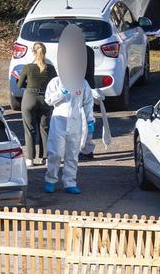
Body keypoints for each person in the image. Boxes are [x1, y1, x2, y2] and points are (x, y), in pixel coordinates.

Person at [43, 25, 111, 194]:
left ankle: (69, 182)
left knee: (72, 154)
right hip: (59, 121)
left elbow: (87, 103)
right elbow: (48, 100)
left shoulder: (83, 83)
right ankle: (50, 179)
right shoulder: (55, 83)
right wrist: (62, 93)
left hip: (76, 122)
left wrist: (90, 121)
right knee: (55, 153)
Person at [14, 42, 55, 166]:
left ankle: (30, 159)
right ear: (45, 52)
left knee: (30, 130)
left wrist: (23, 81)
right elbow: (55, 84)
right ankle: (46, 158)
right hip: (45, 99)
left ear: (33, 52)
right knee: (45, 129)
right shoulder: (51, 69)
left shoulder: (28, 67)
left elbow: (19, 85)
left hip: (30, 99)